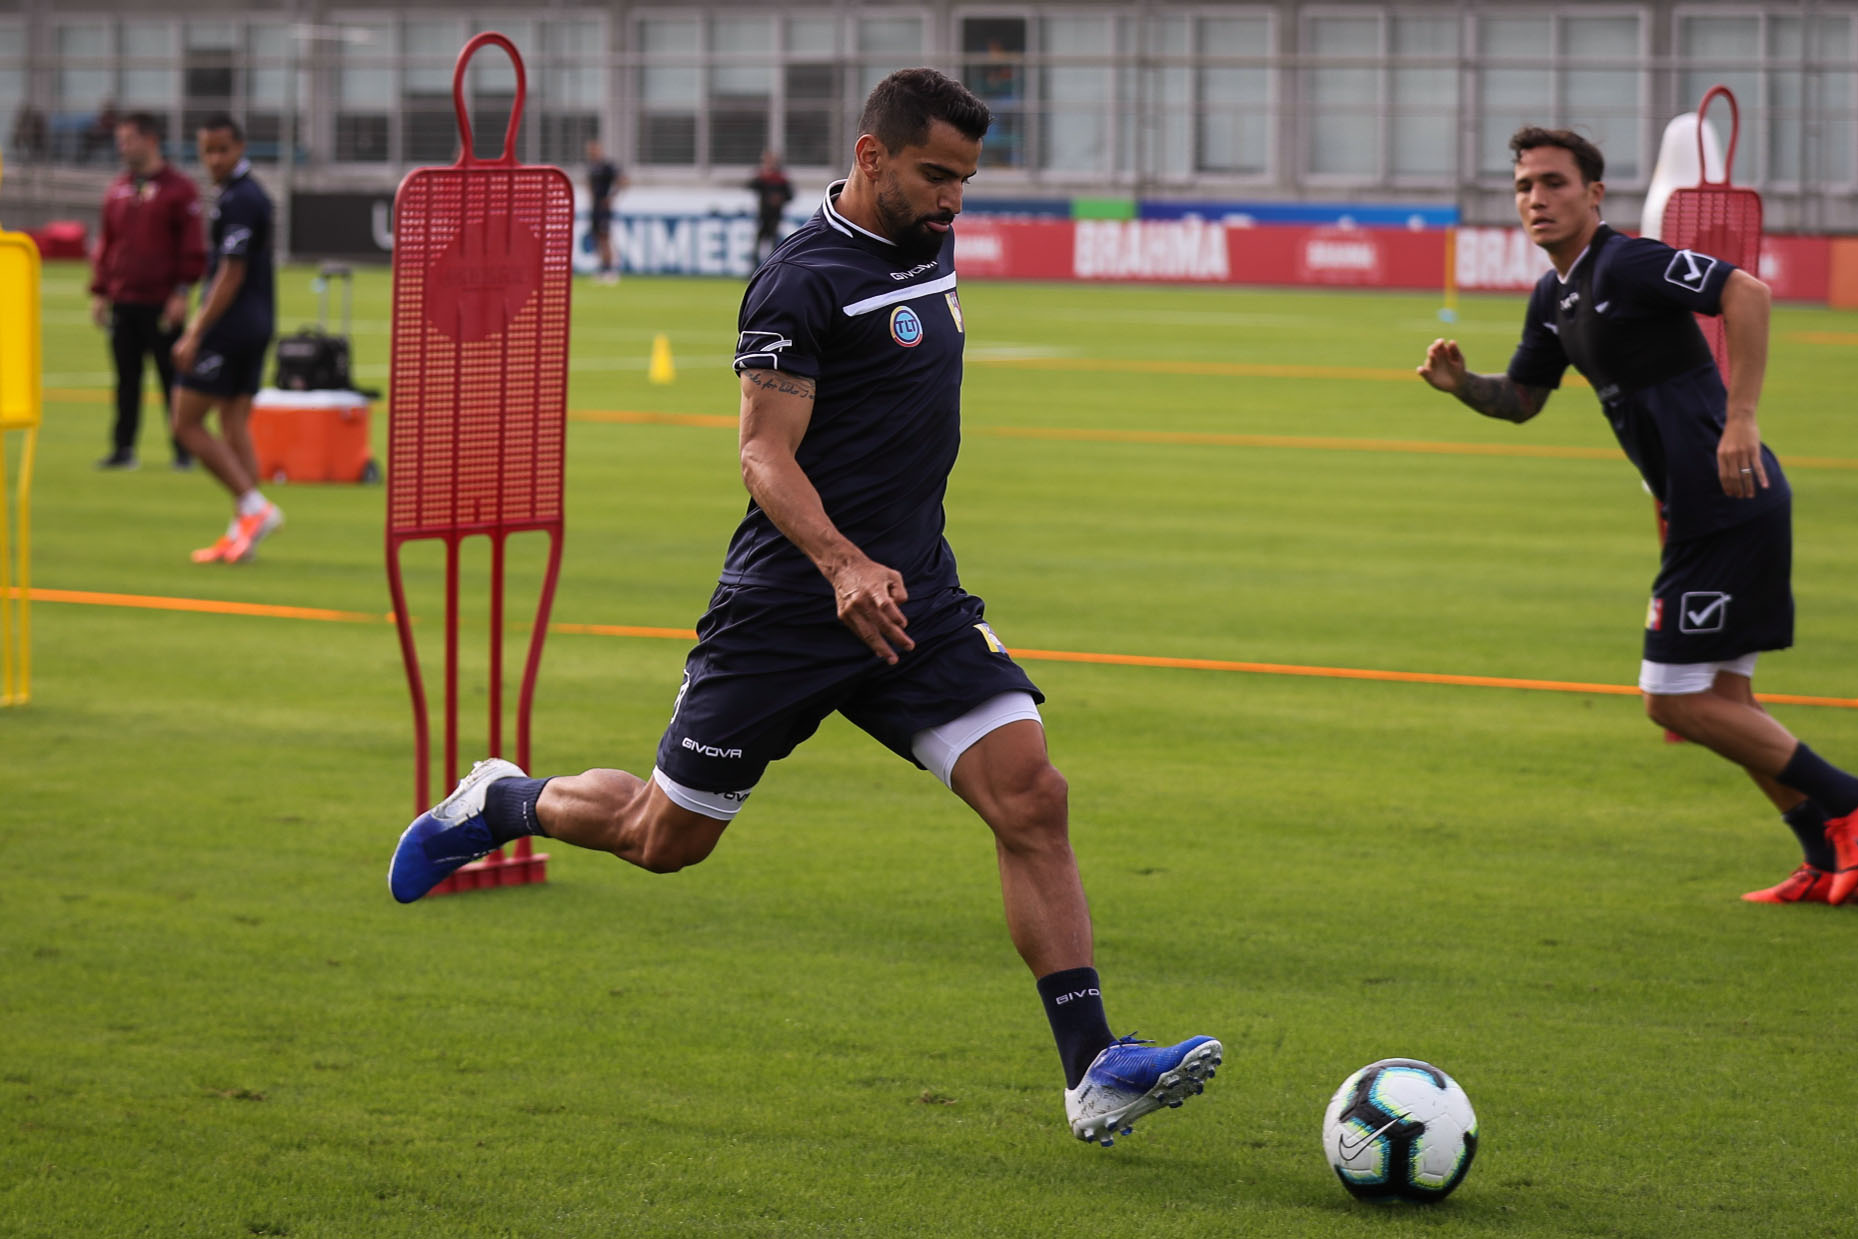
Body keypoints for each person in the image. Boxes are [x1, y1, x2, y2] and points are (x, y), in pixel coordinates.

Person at [390, 67, 1222, 1146]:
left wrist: (884, 565)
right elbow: (760, 453)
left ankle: (1093, 1066)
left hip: (913, 596)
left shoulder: (928, 234)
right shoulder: (798, 281)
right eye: (935, 174)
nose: (953, 200)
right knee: (663, 839)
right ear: (869, 156)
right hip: (789, 606)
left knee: (1031, 796)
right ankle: (500, 803)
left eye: (966, 179)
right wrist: (839, 564)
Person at [1416, 126, 1858, 905]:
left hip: (1730, 501)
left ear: (1594, 194)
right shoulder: (1556, 295)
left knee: (1673, 699)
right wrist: (1463, 387)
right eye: (1524, 187)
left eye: (1554, 183)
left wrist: (1742, 416)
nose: (1537, 199)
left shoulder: (1627, 260)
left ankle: (1850, 804)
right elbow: (1523, 399)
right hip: (1700, 509)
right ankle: (1825, 853)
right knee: (1728, 705)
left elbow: (1744, 291)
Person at [170, 114, 282, 565]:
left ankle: (256, 509)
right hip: (256, 321)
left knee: (186, 423)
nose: (214, 159)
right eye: (207, 151)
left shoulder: (242, 199)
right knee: (234, 424)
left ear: (240, 148)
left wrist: (195, 332)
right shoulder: (241, 194)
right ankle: (244, 535)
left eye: (222, 150)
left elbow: (231, 273)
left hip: (231, 325)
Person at [88, 110, 204, 470]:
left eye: (128, 140)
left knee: (173, 380)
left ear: (150, 140)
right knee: (126, 380)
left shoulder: (179, 189)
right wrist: (100, 290)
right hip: (124, 298)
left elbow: (192, 245)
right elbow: (107, 243)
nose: (122, 147)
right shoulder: (118, 189)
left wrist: (182, 291)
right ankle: (123, 449)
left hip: (161, 301)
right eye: (120, 141)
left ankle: (184, 449)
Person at [746, 149, 794, 269]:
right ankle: (754, 269)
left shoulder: (780, 178)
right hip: (763, 215)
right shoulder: (762, 176)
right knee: (758, 243)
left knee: (774, 243)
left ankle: (773, 268)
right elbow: (751, 186)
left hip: (775, 215)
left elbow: (790, 195)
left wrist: (779, 199)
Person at [585, 139, 624, 285]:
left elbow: (622, 180)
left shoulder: (607, 165)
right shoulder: (591, 167)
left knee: (605, 237)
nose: (591, 153)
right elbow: (589, 184)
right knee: (596, 238)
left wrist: (611, 197)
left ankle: (611, 269)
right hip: (594, 207)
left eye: (593, 150)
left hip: (604, 207)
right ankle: (602, 268)